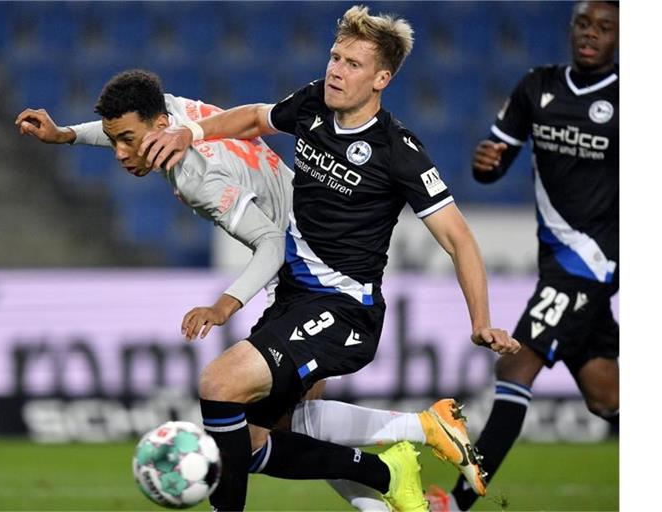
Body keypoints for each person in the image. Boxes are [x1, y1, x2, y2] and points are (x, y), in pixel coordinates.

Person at [15, 68, 498, 511]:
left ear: (160, 123)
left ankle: (420, 431)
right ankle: (391, 486)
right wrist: (66, 136)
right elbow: (127, 125)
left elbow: (269, 242)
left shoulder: (196, 174)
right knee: (282, 431)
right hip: (307, 267)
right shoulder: (172, 113)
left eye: (127, 142)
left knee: (229, 402)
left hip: (312, 273)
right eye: (117, 141)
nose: (120, 153)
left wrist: (225, 305)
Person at [139, 5, 520, 511]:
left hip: (343, 308)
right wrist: (194, 133)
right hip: (295, 296)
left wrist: (482, 321)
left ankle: (420, 430)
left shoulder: (398, 150)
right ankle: (389, 482)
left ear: (382, 78)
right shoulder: (313, 103)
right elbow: (255, 117)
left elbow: (459, 239)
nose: (336, 70)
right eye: (335, 57)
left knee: (219, 383)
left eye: (353, 64)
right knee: (255, 443)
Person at [425, 2, 619, 510]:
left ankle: (456, 503)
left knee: (515, 370)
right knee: (606, 399)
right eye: (583, 24)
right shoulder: (538, 86)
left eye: (605, 28)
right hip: (556, 261)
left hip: (592, 263)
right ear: (571, 26)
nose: (591, 35)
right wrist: (485, 162)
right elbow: (494, 160)